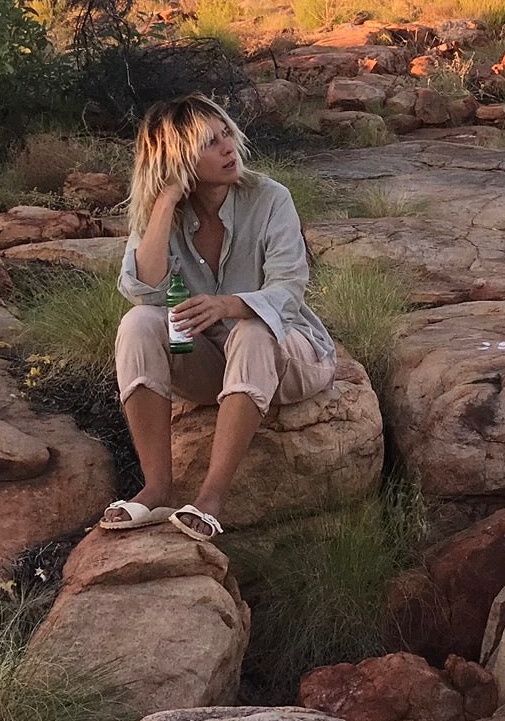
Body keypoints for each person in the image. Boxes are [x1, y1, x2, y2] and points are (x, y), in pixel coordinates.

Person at [100, 93, 338, 541]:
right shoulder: (162, 214)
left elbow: (288, 289)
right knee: (138, 324)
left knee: (251, 330)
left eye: (226, 133)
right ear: (179, 160)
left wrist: (227, 304)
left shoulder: (270, 198)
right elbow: (142, 289)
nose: (228, 147)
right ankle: (157, 489)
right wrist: (167, 199)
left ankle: (210, 500)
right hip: (213, 365)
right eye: (210, 142)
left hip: (288, 356)